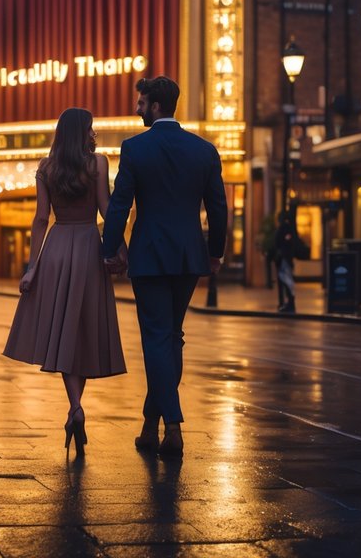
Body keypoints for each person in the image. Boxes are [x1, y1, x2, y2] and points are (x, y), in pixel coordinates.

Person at [102, 76, 227, 460]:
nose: (137, 109)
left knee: (157, 338)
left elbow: (120, 204)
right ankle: (148, 425)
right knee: (172, 337)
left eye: (141, 103)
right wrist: (216, 252)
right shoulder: (204, 150)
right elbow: (218, 207)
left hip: (150, 256)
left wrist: (109, 250)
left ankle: (172, 425)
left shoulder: (135, 149)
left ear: (155, 106)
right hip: (189, 254)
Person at [4, 108, 126, 458]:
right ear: (83, 131)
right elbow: (106, 209)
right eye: (91, 126)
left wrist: (31, 268)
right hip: (89, 246)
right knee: (83, 329)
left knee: (63, 331)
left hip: (56, 250)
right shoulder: (98, 164)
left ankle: (75, 407)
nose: (94, 131)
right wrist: (121, 249)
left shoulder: (46, 167)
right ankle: (76, 406)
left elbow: (41, 218)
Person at [273, 212, 299, 313]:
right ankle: (289, 303)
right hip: (287, 259)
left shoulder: (283, 229)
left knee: (286, 282)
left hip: (284, 260)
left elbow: (277, 242)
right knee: (287, 282)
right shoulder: (290, 229)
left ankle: (289, 304)